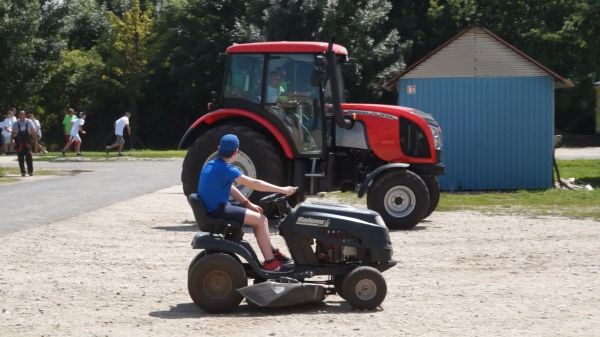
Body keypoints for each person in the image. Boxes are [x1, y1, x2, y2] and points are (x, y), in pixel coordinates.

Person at [198, 134, 297, 271]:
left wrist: (247, 203)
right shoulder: (226, 169)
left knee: (260, 218)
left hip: (213, 207)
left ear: (219, 149)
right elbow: (254, 183)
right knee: (261, 220)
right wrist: (282, 190)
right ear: (236, 151)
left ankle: (272, 251)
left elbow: (228, 186)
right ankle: (270, 262)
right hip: (218, 210)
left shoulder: (213, 164)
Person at [11, 110, 35, 176]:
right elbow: (13, 133)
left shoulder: (29, 121)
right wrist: (11, 141)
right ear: (19, 115)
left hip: (27, 142)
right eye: (20, 114)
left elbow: (33, 131)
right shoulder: (16, 123)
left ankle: (30, 171)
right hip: (19, 142)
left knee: (29, 156)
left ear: (25, 115)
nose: (22, 116)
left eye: (23, 114)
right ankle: (23, 172)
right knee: (20, 158)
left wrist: (34, 140)